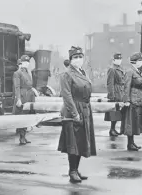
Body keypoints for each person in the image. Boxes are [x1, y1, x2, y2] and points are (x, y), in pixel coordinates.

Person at [58, 46, 97, 183]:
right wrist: (75, 114)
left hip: (84, 108)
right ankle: (72, 171)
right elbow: (67, 95)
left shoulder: (82, 72)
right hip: (73, 110)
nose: (78, 60)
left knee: (80, 141)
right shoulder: (67, 74)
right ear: (70, 60)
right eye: (75, 57)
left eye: (80, 57)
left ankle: (76, 169)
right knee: (73, 143)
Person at [120, 52, 142, 151]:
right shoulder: (130, 71)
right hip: (131, 100)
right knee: (130, 122)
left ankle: (132, 143)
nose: (141, 62)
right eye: (140, 60)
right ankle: (129, 144)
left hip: (137, 99)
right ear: (135, 62)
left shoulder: (136, 71)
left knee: (134, 122)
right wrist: (126, 100)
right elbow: (126, 86)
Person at [13, 55, 36, 145]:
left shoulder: (28, 72)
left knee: (28, 117)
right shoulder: (17, 73)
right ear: (21, 63)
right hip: (23, 96)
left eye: (28, 62)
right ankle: (21, 137)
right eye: (25, 62)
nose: (27, 64)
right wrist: (18, 99)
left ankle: (24, 136)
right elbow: (17, 87)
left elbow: (30, 84)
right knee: (23, 117)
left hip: (29, 95)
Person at [105, 53, 125, 136]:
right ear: (113, 60)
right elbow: (110, 83)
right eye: (117, 59)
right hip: (116, 92)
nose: (119, 60)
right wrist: (111, 95)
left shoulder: (120, 69)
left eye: (120, 59)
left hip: (120, 92)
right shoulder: (112, 69)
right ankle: (112, 129)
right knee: (114, 112)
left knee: (118, 112)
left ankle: (113, 129)